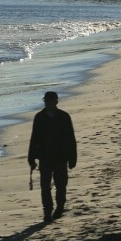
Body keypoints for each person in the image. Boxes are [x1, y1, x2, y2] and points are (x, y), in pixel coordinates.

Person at [28, 91, 77, 223]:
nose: (47, 103)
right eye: (46, 101)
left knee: (61, 184)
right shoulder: (39, 117)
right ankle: (47, 212)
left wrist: (73, 158)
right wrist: (31, 158)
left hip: (61, 157)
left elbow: (71, 138)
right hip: (45, 157)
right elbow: (34, 139)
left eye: (50, 101)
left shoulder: (64, 117)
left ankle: (60, 207)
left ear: (56, 101)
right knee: (45, 186)